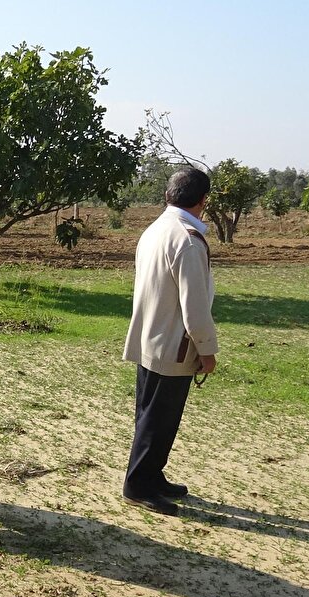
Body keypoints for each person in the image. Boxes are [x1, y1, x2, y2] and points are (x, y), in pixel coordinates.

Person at [122, 167, 218, 516]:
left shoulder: (156, 229)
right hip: (173, 344)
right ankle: (137, 485)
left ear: (169, 195)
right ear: (203, 200)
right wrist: (207, 349)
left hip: (150, 336)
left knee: (150, 415)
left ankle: (151, 476)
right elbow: (194, 306)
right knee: (159, 419)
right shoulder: (187, 239)